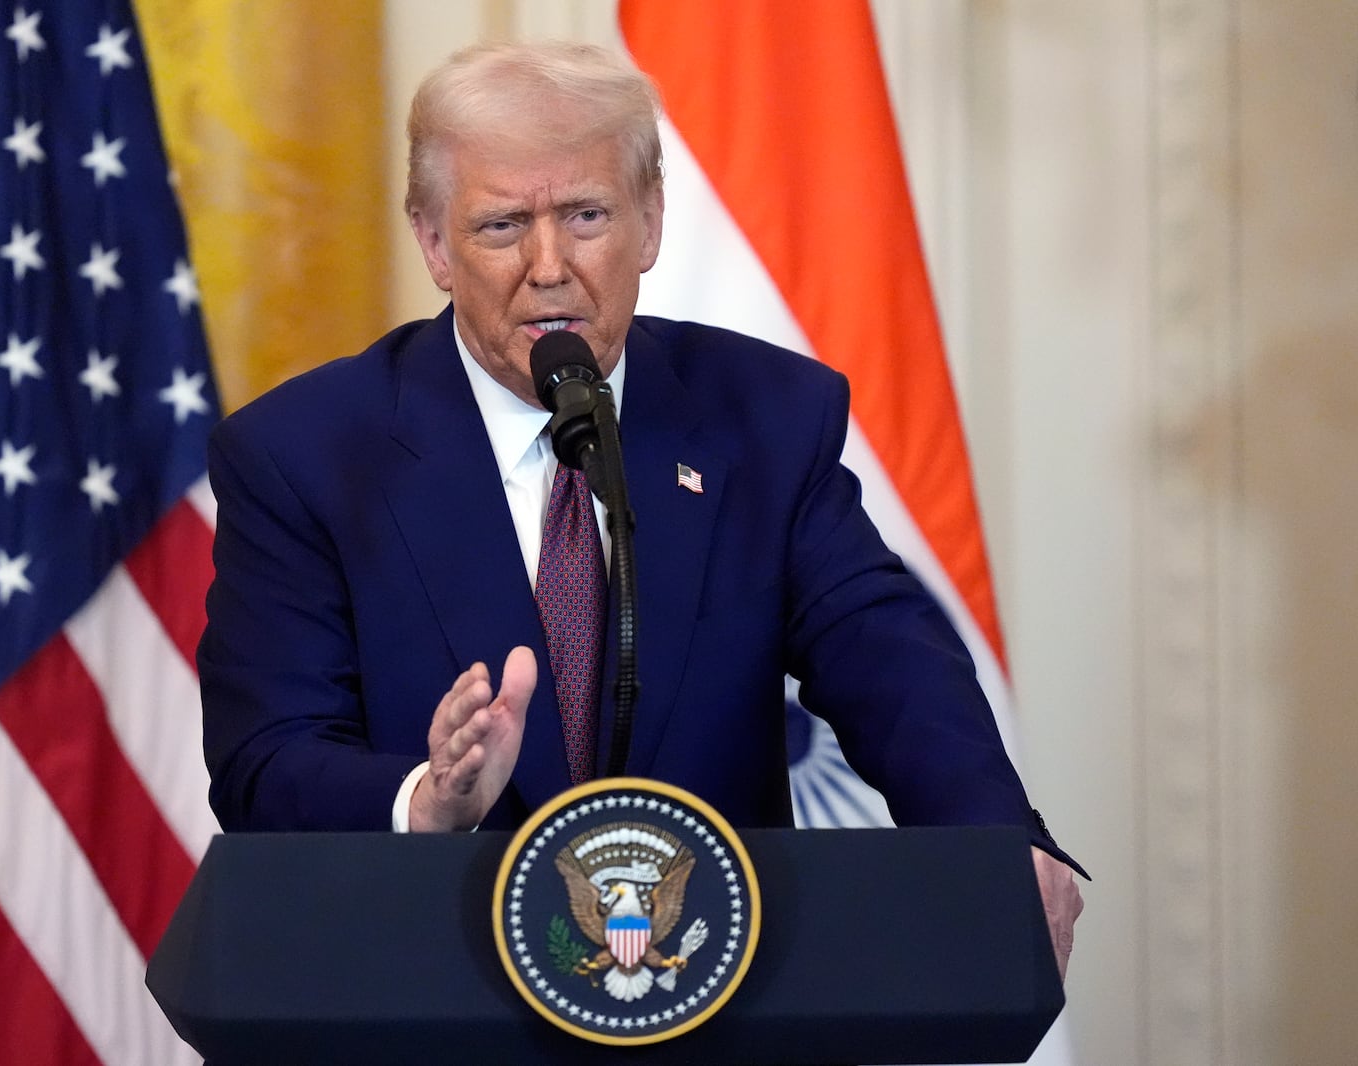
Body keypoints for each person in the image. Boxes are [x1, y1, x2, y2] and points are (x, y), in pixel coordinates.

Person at [198, 40, 1083, 975]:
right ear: (433, 244)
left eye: (587, 215)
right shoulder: (303, 454)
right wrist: (425, 800)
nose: (549, 266)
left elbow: (888, 657)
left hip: (717, 993)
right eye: (502, 226)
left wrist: (993, 840)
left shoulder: (766, 420)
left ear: (651, 221)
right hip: (429, 994)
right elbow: (264, 759)